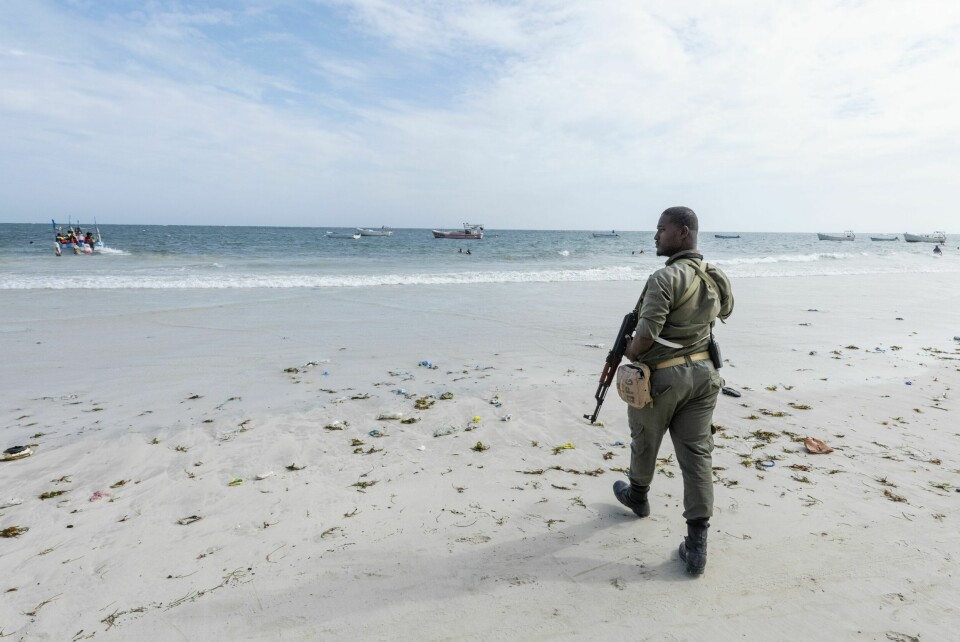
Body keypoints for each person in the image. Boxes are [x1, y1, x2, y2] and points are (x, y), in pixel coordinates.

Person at [611, 206, 734, 576]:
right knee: (697, 454)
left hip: (665, 378)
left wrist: (628, 350)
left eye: (661, 229)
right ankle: (697, 546)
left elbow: (645, 338)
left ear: (682, 233)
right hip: (706, 376)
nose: (655, 235)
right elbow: (724, 311)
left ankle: (638, 496)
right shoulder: (716, 275)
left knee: (645, 438)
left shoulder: (664, 279)